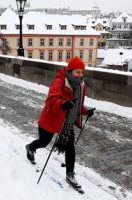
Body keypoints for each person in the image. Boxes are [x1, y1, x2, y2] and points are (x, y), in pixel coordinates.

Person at [25, 56, 95, 187]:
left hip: (67, 123)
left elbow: (76, 105)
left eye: (82, 72)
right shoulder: (59, 82)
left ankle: (70, 174)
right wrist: (62, 104)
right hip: (52, 119)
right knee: (43, 142)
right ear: (70, 71)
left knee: (70, 148)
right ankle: (30, 148)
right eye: (77, 72)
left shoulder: (80, 86)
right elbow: (52, 100)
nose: (80, 75)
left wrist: (86, 111)